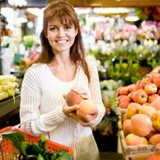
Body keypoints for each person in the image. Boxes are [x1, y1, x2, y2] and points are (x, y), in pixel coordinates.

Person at [19, 0, 105, 159]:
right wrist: (62, 113)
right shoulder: (34, 74)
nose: (61, 34)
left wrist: (90, 115)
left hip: (88, 153)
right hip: (52, 154)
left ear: (76, 31)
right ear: (45, 33)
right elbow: (27, 126)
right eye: (53, 28)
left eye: (67, 27)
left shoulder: (88, 67)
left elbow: (100, 110)